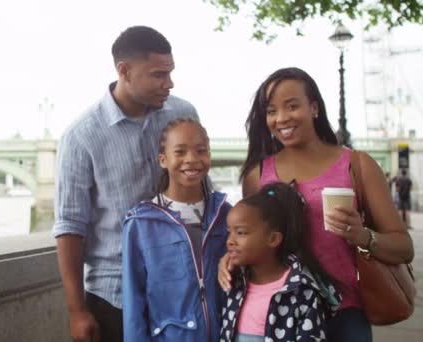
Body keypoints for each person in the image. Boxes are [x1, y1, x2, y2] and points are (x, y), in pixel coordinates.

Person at [218, 67, 414, 342]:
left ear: (314, 108)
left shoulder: (357, 166)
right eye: (272, 111)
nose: (281, 118)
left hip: (344, 316)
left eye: (292, 106)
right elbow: (249, 237)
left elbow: (404, 247)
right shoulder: (257, 174)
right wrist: (231, 258)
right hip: (280, 315)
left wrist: (363, 236)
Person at [52, 26, 200, 342]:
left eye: (171, 73)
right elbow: (70, 227)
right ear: (124, 71)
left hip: (180, 289)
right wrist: (77, 311)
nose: (169, 84)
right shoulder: (81, 136)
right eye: (159, 75)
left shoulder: (183, 114)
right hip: (113, 297)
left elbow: (203, 192)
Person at [122, 118, 231, 341]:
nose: (191, 160)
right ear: (163, 160)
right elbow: (133, 301)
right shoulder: (141, 224)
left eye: (201, 151)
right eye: (180, 152)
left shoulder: (227, 215)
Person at [220, 182, 340, 342]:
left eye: (240, 232)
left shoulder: (303, 291)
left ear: (273, 239)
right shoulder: (234, 281)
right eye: (230, 232)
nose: (230, 241)